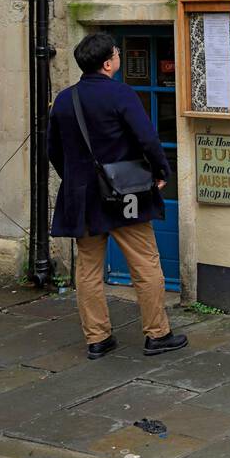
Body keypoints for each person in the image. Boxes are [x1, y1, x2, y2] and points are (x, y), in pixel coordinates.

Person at [47, 31, 188, 360]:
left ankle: (97, 339)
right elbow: (147, 138)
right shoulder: (121, 94)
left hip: (82, 197)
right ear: (108, 63)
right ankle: (157, 334)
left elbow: (53, 151)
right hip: (125, 194)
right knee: (145, 262)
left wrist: (75, 180)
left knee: (88, 269)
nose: (120, 59)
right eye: (116, 54)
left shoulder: (65, 99)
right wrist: (160, 172)